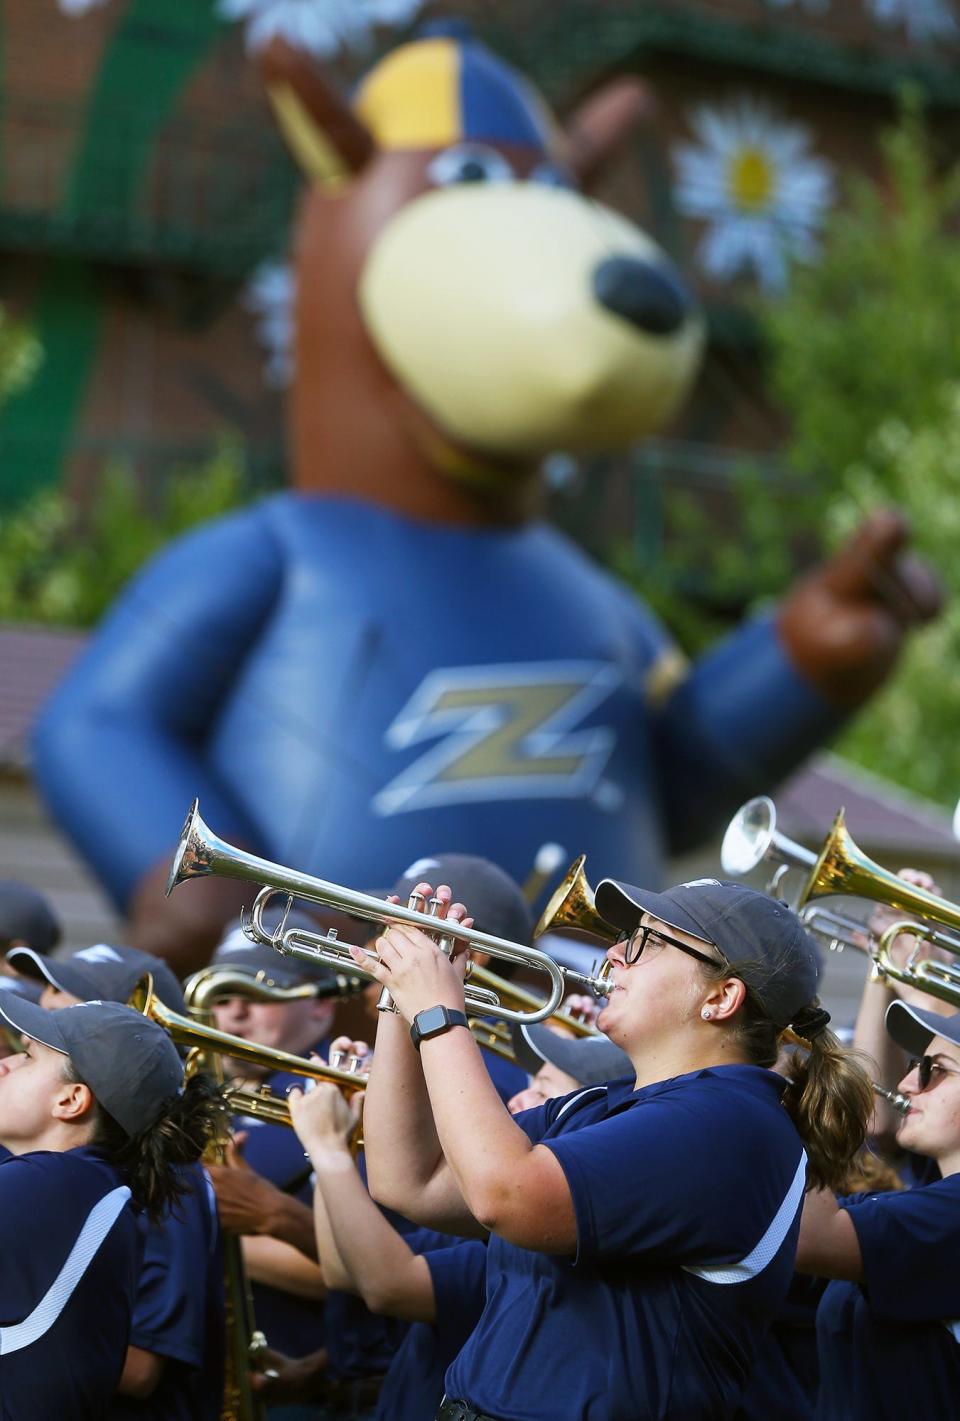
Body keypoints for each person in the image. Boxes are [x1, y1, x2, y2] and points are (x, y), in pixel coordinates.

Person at [358, 874, 873, 1421]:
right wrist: (400, 999)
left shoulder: (732, 1122)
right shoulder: (605, 1104)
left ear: (721, 997)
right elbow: (407, 1181)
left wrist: (439, 1012)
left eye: (648, 942)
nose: (614, 953)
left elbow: (505, 1196)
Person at [289, 1024, 633, 1421]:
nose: (521, 1097)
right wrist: (339, 1149)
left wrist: (327, 1147)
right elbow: (342, 1271)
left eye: (544, 1090)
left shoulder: (526, 1236)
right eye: (530, 1082)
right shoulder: (478, 1211)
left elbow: (386, 1285)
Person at [0, 996, 224, 1418]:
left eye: (28, 1057)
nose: (4, 1064)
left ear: (71, 1101)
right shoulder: (85, 1184)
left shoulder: (53, 1184)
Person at [798, 998, 960, 1421]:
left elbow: (808, 1236)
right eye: (913, 1065)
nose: (907, 1084)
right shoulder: (918, 1202)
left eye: (934, 1070)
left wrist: (804, 1101)